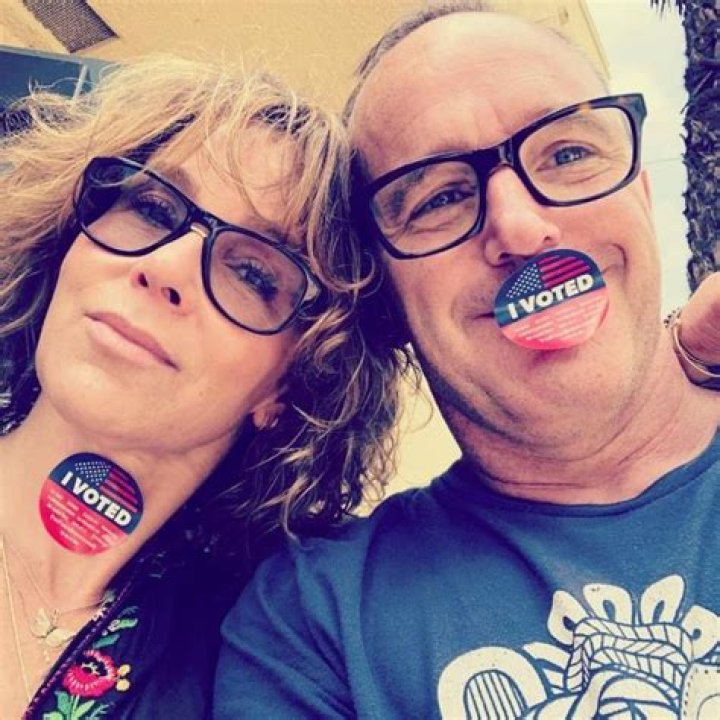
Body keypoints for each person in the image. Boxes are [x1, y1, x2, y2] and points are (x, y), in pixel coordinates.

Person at [215, 3, 720, 718]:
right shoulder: (316, 625)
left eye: (568, 154)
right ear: (383, 299)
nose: (520, 227)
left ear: (639, 188)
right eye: (440, 198)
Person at [0, 55, 403, 719]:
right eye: (151, 208)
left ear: (290, 383)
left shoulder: (275, 658)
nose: (165, 266)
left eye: (254, 274)